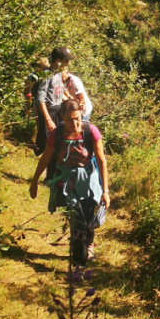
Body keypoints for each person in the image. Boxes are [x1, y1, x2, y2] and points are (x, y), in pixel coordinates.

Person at [29, 99, 111, 265]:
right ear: (61, 117)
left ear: (81, 113)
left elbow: (102, 161)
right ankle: (79, 263)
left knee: (87, 218)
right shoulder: (56, 135)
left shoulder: (91, 132)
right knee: (77, 221)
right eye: (69, 119)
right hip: (66, 185)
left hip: (88, 183)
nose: (74, 123)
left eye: (77, 118)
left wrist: (105, 191)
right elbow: (46, 157)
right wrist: (34, 181)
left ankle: (88, 244)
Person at [33, 46, 73, 156]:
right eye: (66, 60)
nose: (68, 63)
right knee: (48, 146)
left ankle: (54, 170)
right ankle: (47, 170)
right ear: (58, 60)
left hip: (58, 111)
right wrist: (48, 120)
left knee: (58, 144)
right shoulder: (47, 74)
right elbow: (40, 98)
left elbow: (58, 94)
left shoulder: (58, 74)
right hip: (48, 112)